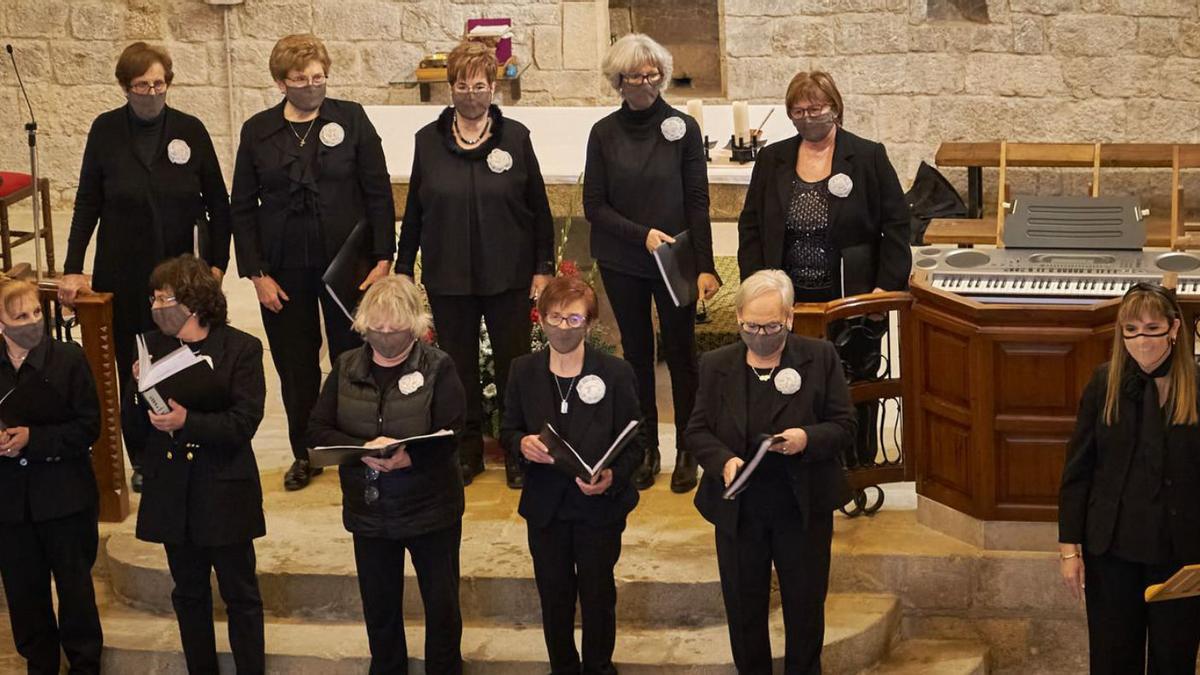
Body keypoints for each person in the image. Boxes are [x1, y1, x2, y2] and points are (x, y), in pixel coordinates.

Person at [61, 41, 231, 492]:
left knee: (184, 360)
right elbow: (87, 202)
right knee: (133, 364)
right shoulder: (105, 130)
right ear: (125, 87)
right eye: (142, 85)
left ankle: (189, 441)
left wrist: (217, 265)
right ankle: (143, 454)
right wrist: (73, 267)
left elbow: (218, 202)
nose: (152, 92)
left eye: (159, 84)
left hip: (182, 276)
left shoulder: (190, 130)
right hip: (124, 271)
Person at [232, 33, 396, 492]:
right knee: (294, 363)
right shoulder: (258, 130)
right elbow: (242, 207)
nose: (311, 85)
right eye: (300, 79)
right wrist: (256, 274)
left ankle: (356, 445)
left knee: (353, 358)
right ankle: (306, 451)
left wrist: (383, 257)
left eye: (318, 77)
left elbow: (378, 191)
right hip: (283, 269)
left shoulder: (352, 119)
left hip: (348, 266)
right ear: (281, 82)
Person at [396, 40, 555, 489]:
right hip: (450, 276)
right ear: (451, 88)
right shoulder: (428, 141)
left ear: (494, 88)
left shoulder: (516, 138)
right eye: (462, 85)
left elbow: (539, 208)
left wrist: (543, 267)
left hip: (508, 274)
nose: (470, 93)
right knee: (457, 368)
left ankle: (517, 451)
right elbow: (415, 213)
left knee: (515, 367)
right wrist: (404, 268)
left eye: (479, 85)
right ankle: (466, 452)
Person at [737, 70, 911, 471]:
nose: (807, 117)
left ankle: (857, 467)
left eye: (815, 109)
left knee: (855, 385)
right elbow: (751, 225)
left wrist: (885, 288)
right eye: (797, 110)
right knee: (793, 382)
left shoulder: (867, 156)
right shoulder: (773, 158)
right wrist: (757, 288)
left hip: (853, 297)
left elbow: (898, 224)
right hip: (788, 301)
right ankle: (799, 459)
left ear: (835, 108)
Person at [685, 270, 854, 674]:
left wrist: (806, 438)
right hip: (741, 509)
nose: (761, 335)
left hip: (801, 506)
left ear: (790, 318)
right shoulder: (715, 364)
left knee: (805, 606)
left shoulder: (820, 357)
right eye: (751, 326)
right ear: (739, 316)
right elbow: (697, 430)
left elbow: (845, 426)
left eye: (772, 326)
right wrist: (723, 460)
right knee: (744, 610)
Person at [308, 275, 467, 674]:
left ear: (413, 325)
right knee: (379, 608)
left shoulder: (438, 366)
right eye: (376, 328)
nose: (384, 336)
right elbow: (317, 429)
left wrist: (410, 458)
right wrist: (361, 451)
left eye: (394, 328)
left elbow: (454, 430)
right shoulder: (346, 366)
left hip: (430, 507)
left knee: (442, 606)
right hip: (369, 509)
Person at [584, 33, 720, 493]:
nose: (646, 82)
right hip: (623, 258)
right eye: (635, 75)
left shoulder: (683, 128)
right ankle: (645, 447)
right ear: (617, 81)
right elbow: (594, 206)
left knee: (681, 354)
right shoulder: (603, 132)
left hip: (675, 260)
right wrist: (640, 236)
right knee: (638, 355)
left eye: (653, 73)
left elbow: (698, 201)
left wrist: (705, 264)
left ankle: (687, 446)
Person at [125, 255, 267, 674]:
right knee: (188, 593)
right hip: (174, 489)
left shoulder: (241, 347)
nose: (156, 306)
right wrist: (138, 390)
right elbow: (133, 425)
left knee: (240, 594)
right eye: (152, 298)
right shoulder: (150, 346)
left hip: (223, 487)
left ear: (194, 300)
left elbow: (244, 423)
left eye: (163, 297)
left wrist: (189, 422)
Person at [500, 275, 645, 673]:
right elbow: (508, 429)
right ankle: (563, 666)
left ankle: (599, 667)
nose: (564, 327)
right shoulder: (523, 370)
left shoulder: (615, 373)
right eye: (556, 318)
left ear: (591, 323)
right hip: (546, 506)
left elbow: (637, 440)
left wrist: (614, 476)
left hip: (597, 506)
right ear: (541, 319)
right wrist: (521, 444)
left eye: (574, 320)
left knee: (598, 595)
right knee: (554, 596)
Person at [1059, 282, 1200, 675]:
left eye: (1152, 329)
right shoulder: (1103, 383)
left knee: (1174, 662)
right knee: (1111, 660)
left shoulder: (1197, 387)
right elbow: (1078, 472)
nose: (1142, 340)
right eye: (1132, 330)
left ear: (1173, 329)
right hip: (1112, 551)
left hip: (1180, 554)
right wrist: (1069, 550)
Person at [0, 279, 103, 675]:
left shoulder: (68, 359)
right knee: (25, 595)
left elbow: (88, 426)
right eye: (20, 316)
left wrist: (34, 438)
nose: (32, 322)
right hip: (11, 505)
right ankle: (39, 665)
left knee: (75, 591)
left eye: (37, 313)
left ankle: (84, 664)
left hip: (64, 497)